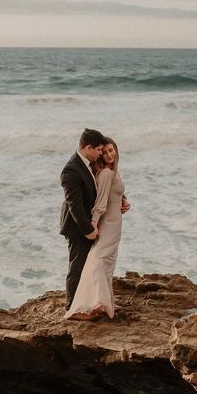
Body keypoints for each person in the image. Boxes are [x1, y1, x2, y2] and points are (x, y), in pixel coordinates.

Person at [65, 137, 129, 320]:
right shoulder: (106, 173)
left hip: (115, 220)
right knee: (98, 260)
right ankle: (82, 305)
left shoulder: (112, 171)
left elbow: (113, 194)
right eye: (105, 151)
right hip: (107, 222)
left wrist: (124, 201)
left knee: (108, 261)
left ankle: (106, 300)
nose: (109, 154)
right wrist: (93, 224)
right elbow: (100, 203)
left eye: (112, 150)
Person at [60, 128, 106, 311]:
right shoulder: (71, 169)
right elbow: (74, 206)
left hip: (87, 224)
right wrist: (88, 230)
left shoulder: (88, 164)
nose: (100, 154)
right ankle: (71, 307)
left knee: (90, 265)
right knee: (77, 266)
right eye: (99, 150)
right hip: (76, 227)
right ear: (88, 147)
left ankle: (87, 301)